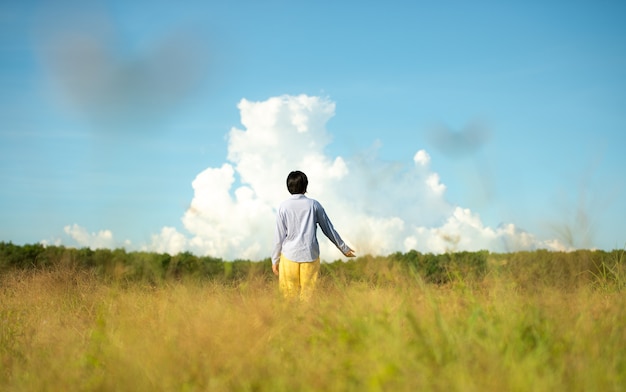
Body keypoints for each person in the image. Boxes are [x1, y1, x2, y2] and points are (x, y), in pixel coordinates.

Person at [271, 170, 355, 301]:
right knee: (308, 298)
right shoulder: (314, 205)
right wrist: (344, 248)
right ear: (306, 186)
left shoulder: (283, 207)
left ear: (288, 187)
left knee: (288, 298)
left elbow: (279, 237)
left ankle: (289, 321)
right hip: (310, 255)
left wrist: (275, 260)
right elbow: (328, 229)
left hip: (288, 256)